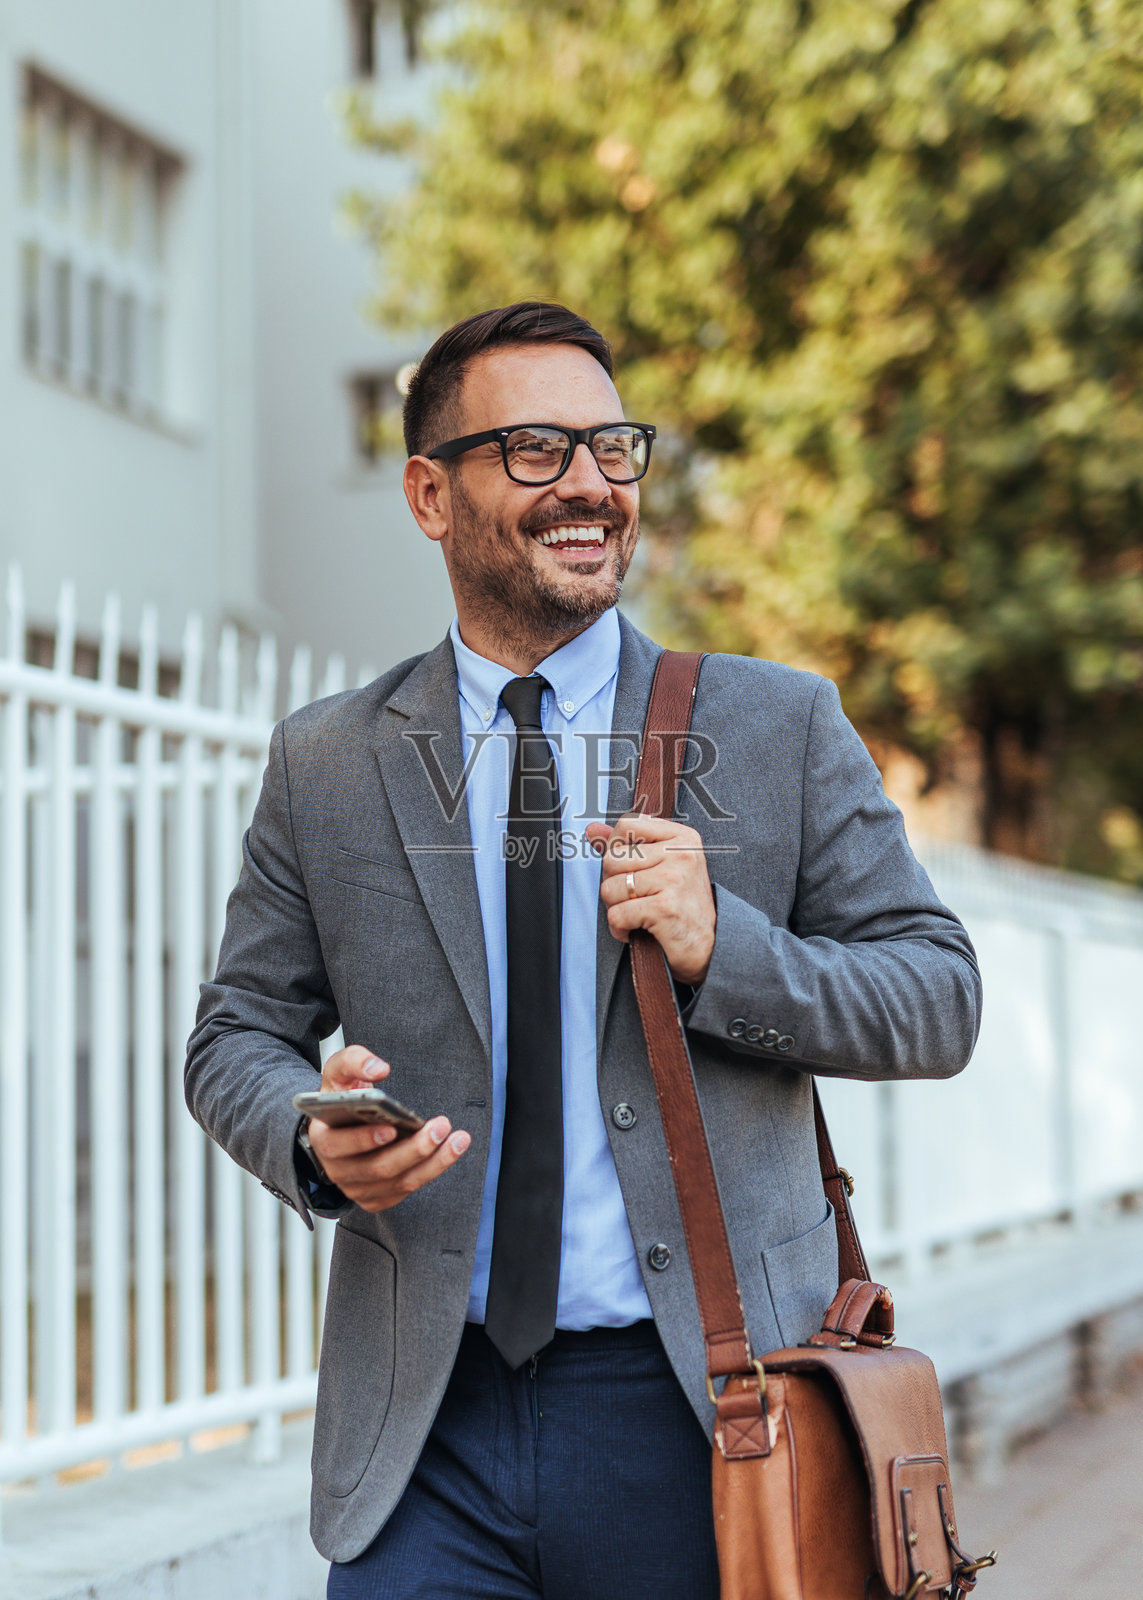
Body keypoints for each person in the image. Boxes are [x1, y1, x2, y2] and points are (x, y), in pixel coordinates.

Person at [186, 301, 981, 1599]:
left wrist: (727, 948)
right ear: (430, 494)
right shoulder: (327, 763)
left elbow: (935, 1001)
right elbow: (235, 1035)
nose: (594, 488)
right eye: (539, 450)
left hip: (702, 1412)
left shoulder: (773, 727)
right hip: (424, 1430)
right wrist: (307, 1135)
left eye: (614, 449)